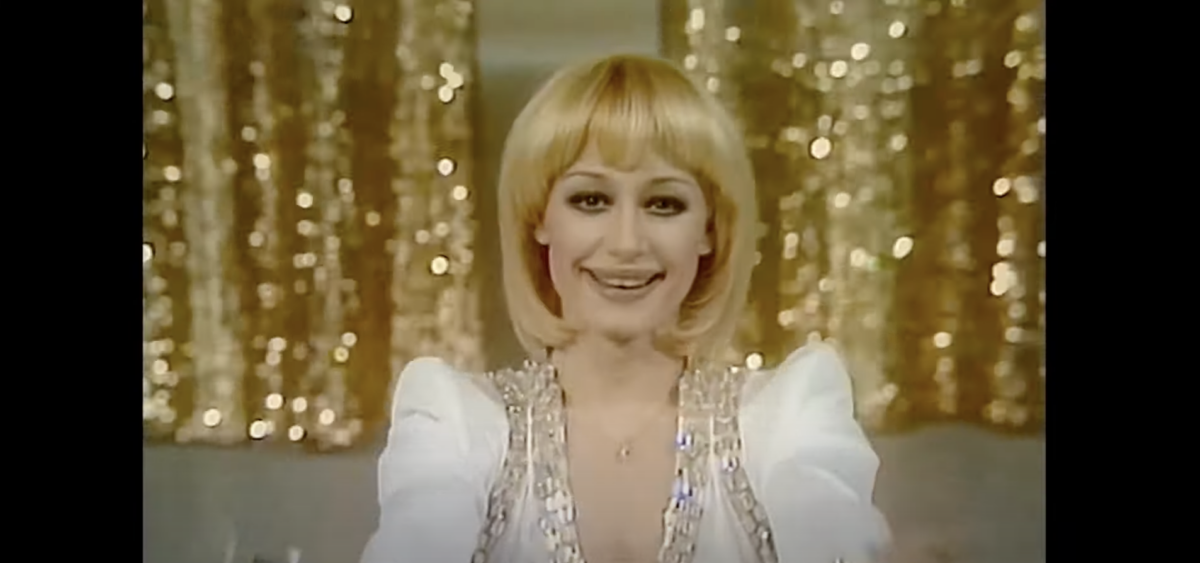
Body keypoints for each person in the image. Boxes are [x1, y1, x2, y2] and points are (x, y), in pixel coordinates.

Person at [360, 53, 890, 563]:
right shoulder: (458, 422)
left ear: (709, 231)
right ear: (539, 219)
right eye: (591, 200)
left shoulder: (785, 417)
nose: (627, 243)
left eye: (664, 204)